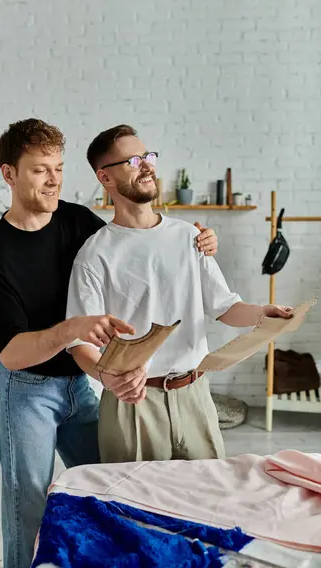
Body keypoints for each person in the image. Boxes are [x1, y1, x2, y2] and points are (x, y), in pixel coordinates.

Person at [0, 118, 219, 568]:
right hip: (24, 392)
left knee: (111, 485)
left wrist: (197, 242)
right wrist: (72, 330)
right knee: (28, 504)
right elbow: (11, 352)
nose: (54, 179)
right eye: (39, 170)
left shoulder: (76, 220)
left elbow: (131, 244)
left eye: (59, 168)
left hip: (80, 386)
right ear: (9, 174)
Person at [66, 124, 293, 464]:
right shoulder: (95, 254)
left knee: (208, 501)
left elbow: (225, 307)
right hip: (132, 404)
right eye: (132, 160)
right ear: (106, 178)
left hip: (195, 395)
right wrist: (108, 380)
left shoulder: (190, 237)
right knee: (137, 508)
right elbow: (79, 343)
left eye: (148, 156)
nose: (147, 166)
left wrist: (263, 312)